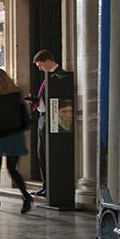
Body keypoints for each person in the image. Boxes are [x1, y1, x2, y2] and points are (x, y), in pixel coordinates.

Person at [0, 68, 33, 214]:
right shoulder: (17, 95)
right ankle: (26, 197)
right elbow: (24, 114)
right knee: (12, 169)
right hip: (15, 135)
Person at [29, 50, 73, 198]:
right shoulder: (48, 77)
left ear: (47, 61)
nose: (40, 69)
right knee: (41, 153)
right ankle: (46, 185)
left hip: (53, 118)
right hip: (43, 117)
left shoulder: (59, 75)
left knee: (50, 153)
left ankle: (52, 187)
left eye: (40, 65)